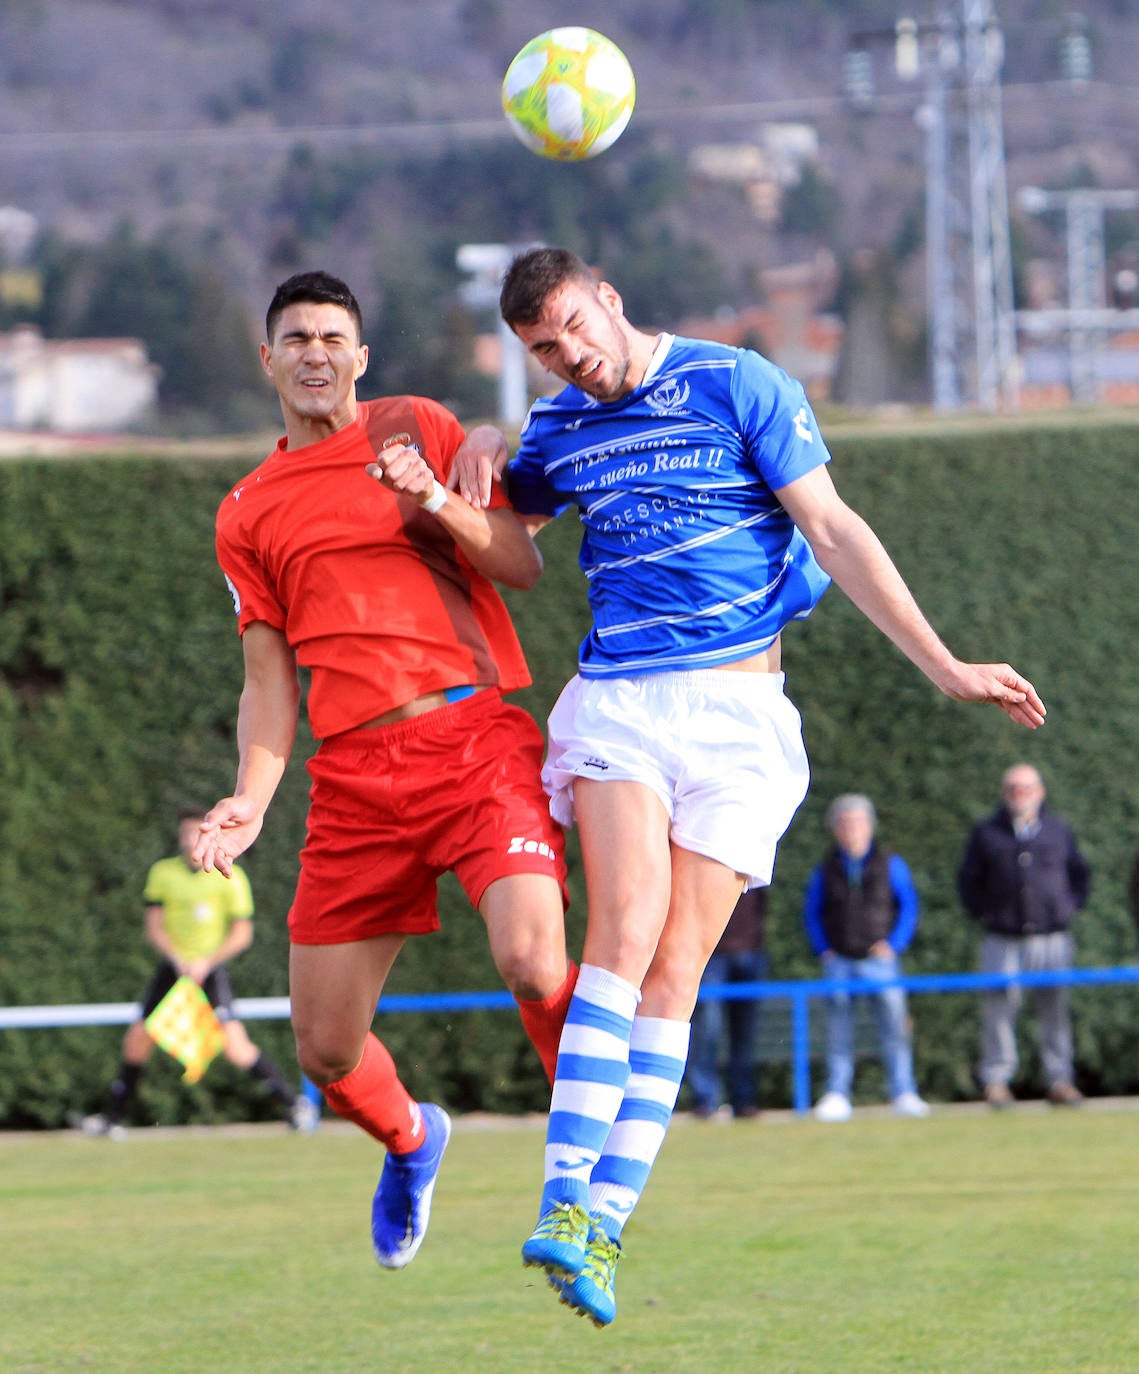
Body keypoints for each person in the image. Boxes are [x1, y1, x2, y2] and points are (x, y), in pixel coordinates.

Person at [451, 246, 1045, 1327]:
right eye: (541, 349)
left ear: (610, 300)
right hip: (624, 699)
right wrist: (476, 446)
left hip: (741, 721)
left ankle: (602, 1228)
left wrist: (945, 663)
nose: (569, 357)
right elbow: (510, 545)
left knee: (677, 969)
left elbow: (831, 528)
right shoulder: (556, 429)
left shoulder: (736, 383)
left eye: (575, 329)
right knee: (621, 934)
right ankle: (557, 1195)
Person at [191, 270, 576, 1272]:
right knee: (322, 1050)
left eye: (332, 336)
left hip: (472, 738)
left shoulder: (416, 423)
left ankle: (579, 1174)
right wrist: (248, 801)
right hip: (353, 778)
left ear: (359, 358)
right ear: (266, 359)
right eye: (295, 337)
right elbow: (268, 683)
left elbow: (520, 564)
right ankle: (412, 1140)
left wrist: (438, 496)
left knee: (534, 959)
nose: (314, 352)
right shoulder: (247, 511)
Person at [81, 809, 316, 1140]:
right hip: (174, 968)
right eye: (187, 833)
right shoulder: (162, 873)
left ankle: (294, 1106)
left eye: (198, 833)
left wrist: (206, 961)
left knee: (235, 1045)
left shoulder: (230, 875)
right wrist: (177, 958)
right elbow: (154, 926)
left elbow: (241, 933)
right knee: (138, 1039)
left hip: (209, 969)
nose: (192, 839)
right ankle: (112, 1118)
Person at [958, 763, 1090, 1109]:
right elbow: (968, 881)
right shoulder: (987, 832)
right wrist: (985, 913)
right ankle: (997, 1082)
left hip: (1052, 937)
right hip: (1003, 938)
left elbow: (1080, 874)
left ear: (1040, 792)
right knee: (999, 1011)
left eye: (1027, 788)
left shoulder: (1058, 830)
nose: (1021, 795)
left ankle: (1060, 1080)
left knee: (1055, 1011)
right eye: (1014, 789)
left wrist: (1067, 908)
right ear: (1005, 794)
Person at [803, 794, 929, 1122]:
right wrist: (823, 949)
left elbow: (909, 906)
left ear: (870, 826)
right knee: (838, 1030)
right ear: (835, 829)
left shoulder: (890, 863)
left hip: (881, 962)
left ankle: (903, 1091)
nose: (852, 829)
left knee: (894, 1028)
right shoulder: (826, 868)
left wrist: (894, 944)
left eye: (858, 822)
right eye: (845, 823)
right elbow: (812, 912)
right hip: (839, 962)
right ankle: (837, 1093)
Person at [685, 886, 769, 1119]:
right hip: (713, 955)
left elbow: (763, 902)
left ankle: (743, 1101)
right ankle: (705, 1100)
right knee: (707, 1031)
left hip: (749, 953)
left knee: (744, 1034)